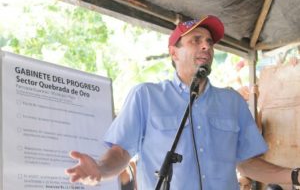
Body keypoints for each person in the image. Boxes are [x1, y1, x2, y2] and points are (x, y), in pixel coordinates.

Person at [65, 15, 300, 189]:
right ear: (174, 53)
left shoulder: (233, 103)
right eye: (195, 40)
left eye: (209, 41)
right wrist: (100, 169)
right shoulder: (146, 96)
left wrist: (294, 176)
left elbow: (247, 163)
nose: (206, 46)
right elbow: (121, 152)